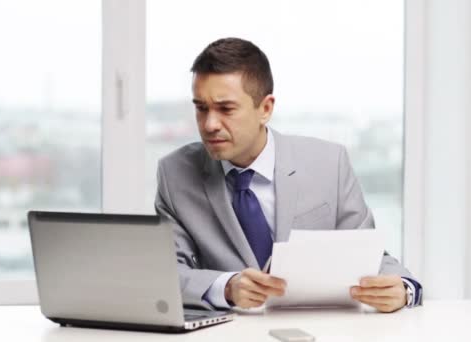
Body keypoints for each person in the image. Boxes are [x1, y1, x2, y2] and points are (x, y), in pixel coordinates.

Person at [155, 37, 422, 313]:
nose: (209, 124)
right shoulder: (174, 174)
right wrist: (227, 286)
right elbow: (166, 273)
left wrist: (405, 288)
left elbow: (369, 257)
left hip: (321, 329)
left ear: (266, 109)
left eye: (226, 109)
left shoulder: (330, 164)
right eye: (201, 108)